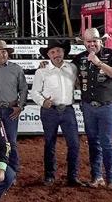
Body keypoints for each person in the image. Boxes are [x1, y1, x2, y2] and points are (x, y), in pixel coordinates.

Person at [72, 28, 112, 190]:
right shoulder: (79, 58)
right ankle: (97, 177)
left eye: (95, 40)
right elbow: (64, 71)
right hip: (88, 106)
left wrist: (98, 63)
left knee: (107, 143)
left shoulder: (111, 55)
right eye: (88, 41)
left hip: (107, 106)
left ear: (100, 41)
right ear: (84, 43)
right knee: (93, 142)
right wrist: (46, 64)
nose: (92, 44)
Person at [31, 39, 85, 187]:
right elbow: (34, 92)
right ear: (48, 55)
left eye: (59, 51)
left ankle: (72, 177)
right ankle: (49, 175)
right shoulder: (41, 71)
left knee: (74, 144)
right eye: (53, 52)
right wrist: (43, 102)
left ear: (63, 52)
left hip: (67, 109)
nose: (56, 54)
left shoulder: (72, 68)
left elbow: (80, 80)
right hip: (50, 110)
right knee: (50, 143)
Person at [0, 40, 27, 175]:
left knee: (11, 142)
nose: (0, 54)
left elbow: (23, 89)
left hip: (11, 110)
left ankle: (13, 171)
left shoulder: (16, 69)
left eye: (3, 51)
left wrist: (20, 106)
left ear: (7, 53)